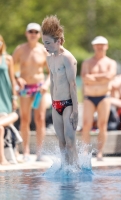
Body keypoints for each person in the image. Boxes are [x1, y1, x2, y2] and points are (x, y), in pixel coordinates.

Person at [41, 16, 78, 166]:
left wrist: (75, 110)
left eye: (48, 43)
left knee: (70, 142)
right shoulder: (50, 58)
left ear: (58, 41)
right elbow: (52, 81)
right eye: (44, 43)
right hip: (56, 104)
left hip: (68, 104)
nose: (45, 46)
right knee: (61, 143)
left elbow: (73, 84)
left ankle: (76, 169)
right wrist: (52, 103)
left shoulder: (67, 58)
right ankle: (65, 170)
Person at [12, 23, 50, 161]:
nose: (33, 34)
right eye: (30, 31)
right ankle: (26, 151)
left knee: (40, 119)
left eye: (36, 31)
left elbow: (52, 72)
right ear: (26, 33)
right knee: (25, 119)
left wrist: (46, 84)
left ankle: (40, 152)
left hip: (40, 87)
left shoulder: (44, 50)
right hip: (25, 88)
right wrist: (17, 78)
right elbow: (11, 66)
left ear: (40, 34)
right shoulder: (20, 49)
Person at [81, 36, 117, 160]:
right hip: (89, 97)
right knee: (86, 124)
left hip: (104, 96)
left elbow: (110, 76)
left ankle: (100, 153)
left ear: (106, 46)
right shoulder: (87, 62)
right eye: (97, 45)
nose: (100, 47)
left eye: (102, 44)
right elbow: (85, 78)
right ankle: (85, 151)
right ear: (94, 46)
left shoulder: (111, 62)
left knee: (102, 125)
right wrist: (102, 78)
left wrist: (94, 78)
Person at [0, 35, 18, 164]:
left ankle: (12, 154)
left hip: (5, 97)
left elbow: (12, 80)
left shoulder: (8, 58)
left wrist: (14, 97)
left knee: (10, 120)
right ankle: (4, 158)